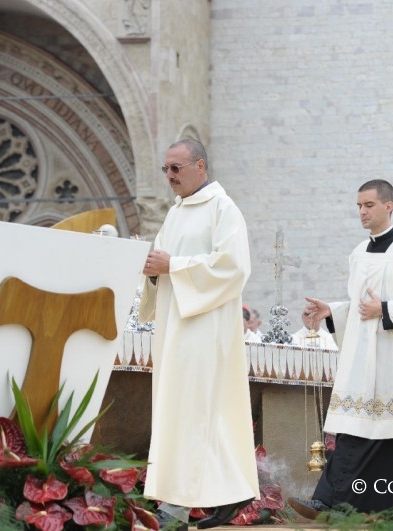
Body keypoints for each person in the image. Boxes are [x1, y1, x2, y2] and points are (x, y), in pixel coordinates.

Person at [288, 179, 393, 519]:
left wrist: (385, 309)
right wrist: (333, 311)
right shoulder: (358, 254)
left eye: (369, 205)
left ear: (388, 205)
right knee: (355, 428)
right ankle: (331, 501)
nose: (362, 212)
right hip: (364, 362)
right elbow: (359, 308)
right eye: (359, 206)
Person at [140, 138, 257, 530]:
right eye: (166, 169)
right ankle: (232, 492)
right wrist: (153, 271)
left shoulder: (223, 208)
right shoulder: (176, 212)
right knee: (190, 413)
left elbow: (234, 267)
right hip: (175, 329)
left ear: (200, 166)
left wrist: (174, 265)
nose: (170, 176)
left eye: (176, 168)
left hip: (204, 328)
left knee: (193, 414)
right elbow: (162, 265)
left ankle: (175, 509)